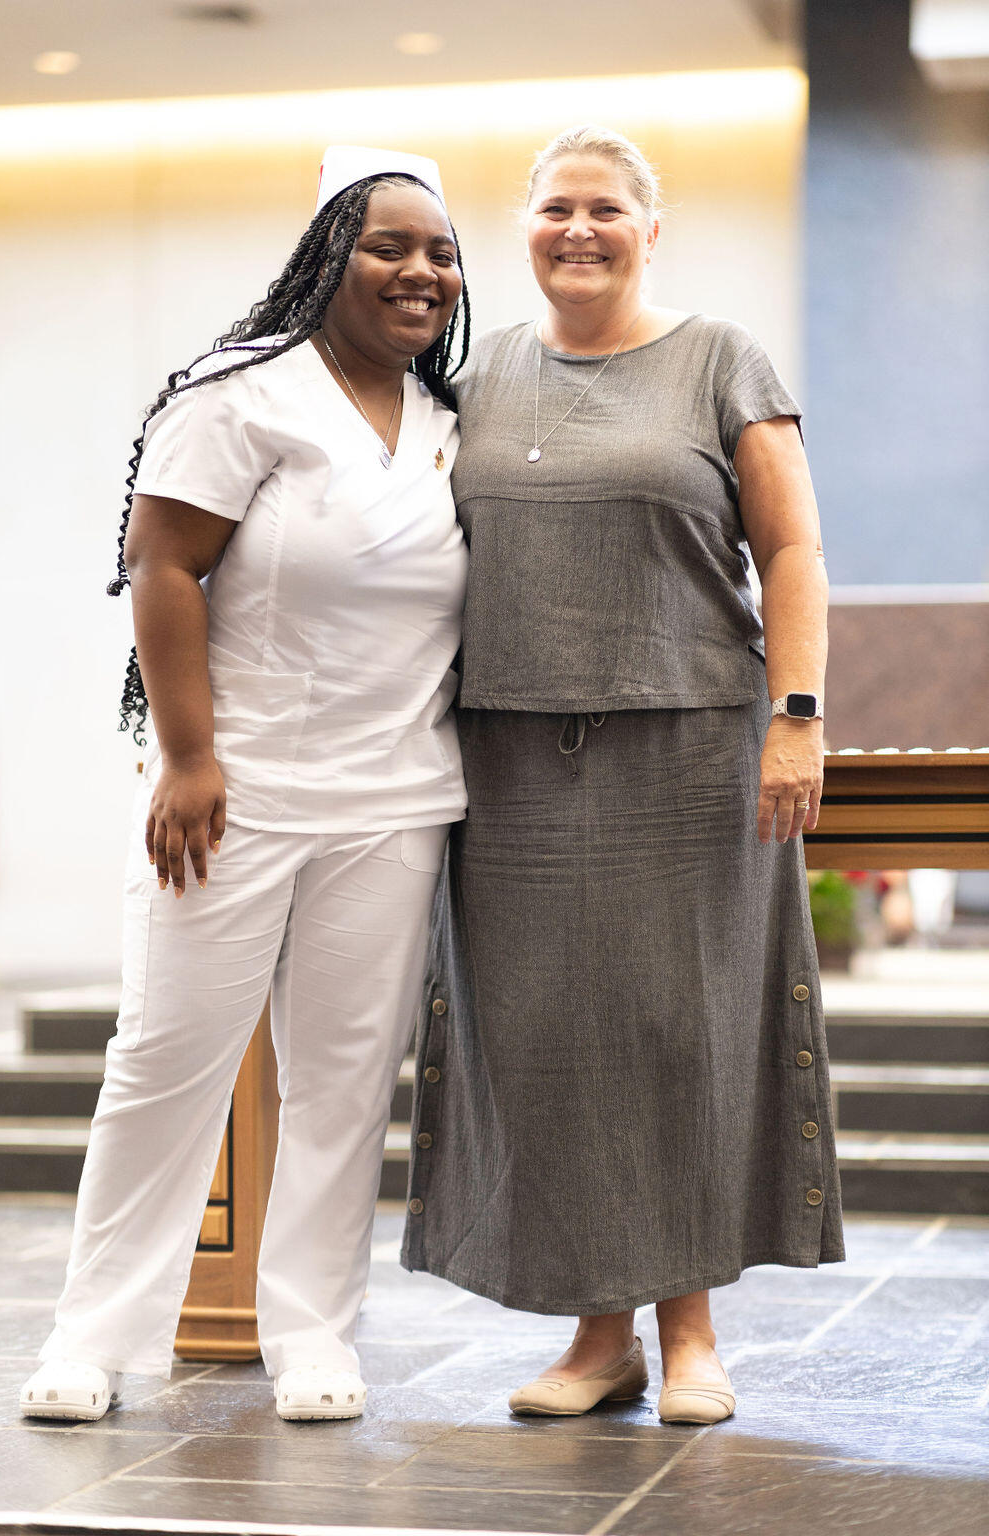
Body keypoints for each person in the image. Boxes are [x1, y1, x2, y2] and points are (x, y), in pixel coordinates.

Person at [401, 125, 845, 1423]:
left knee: (679, 1035)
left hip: (691, 750)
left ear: (651, 230)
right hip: (509, 763)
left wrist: (797, 716)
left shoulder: (718, 359)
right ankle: (600, 1338)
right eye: (554, 209)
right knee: (549, 1046)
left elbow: (795, 551)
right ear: (524, 231)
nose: (577, 230)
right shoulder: (474, 379)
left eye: (603, 209)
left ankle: (690, 1332)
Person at [20, 146, 470, 1424]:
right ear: (327, 255)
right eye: (389, 245)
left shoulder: (450, 423)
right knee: (167, 1060)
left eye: (442, 252)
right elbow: (161, 566)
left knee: (344, 1080)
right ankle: (94, 1339)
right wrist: (188, 757)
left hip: (395, 803)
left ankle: (314, 1335)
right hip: (234, 795)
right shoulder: (240, 395)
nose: (421, 272)